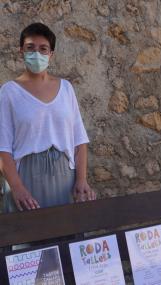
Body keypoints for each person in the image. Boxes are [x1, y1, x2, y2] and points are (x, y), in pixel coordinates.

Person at [0, 23, 95, 213]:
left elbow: (79, 140)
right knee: (29, 237)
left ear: (51, 54)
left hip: (64, 177)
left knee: (66, 232)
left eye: (43, 48)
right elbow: (3, 148)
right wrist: (17, 189)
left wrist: (81, 179)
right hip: (26, 178)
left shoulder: (66, 89)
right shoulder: (9, 93)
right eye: (30, 48)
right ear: (21, 51)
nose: (36, 53)